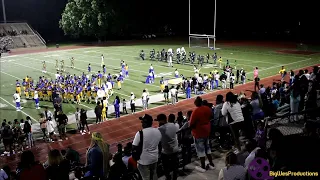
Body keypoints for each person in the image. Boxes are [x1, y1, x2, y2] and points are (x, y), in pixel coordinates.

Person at [189, 96, 215, 172]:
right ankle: (211, 164)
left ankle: (203, 166)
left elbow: (191, 124)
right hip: (207, 131)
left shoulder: (195, 111)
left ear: (197, 102)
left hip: (199, 132)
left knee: (201, 150)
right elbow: (211, 116)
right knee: (207, 148)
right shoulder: (207, 108)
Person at [132, 114, 162, 180]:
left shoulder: (140, 133)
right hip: (154, 159)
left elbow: (134, 146)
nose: (141, 123)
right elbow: (159, 143)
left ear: (146, 123)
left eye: (142, 122)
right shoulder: (158, 131)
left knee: (146, 178)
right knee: (154, 175)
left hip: (143, 161)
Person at [156, 114, 179, 180]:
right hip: (175, 148)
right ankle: (175, 178)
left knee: (165, 166)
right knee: (175, 166)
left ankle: (168, 177)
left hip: (166, 151)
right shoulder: (174, 125)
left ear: (161, 121)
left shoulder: (160, 129)